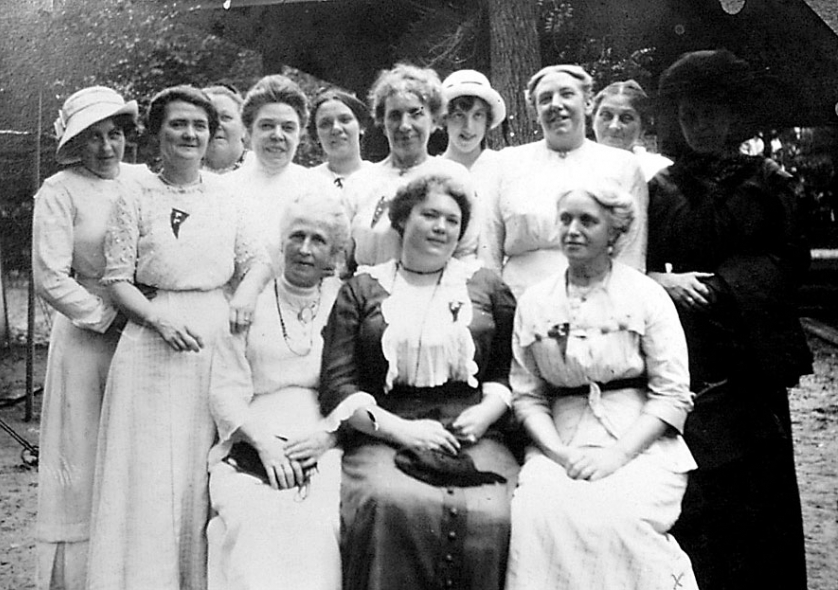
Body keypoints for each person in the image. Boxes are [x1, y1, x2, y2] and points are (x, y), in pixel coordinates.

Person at [87, 85, 270, 590]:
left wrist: (244, 297)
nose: (190, 134)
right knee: (147, 471)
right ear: (156, 134)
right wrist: (159, 320)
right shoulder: (135, 193)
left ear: (212, 135)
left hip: (215, 336)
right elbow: (118, 278)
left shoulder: (230, 194)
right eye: (177, 124)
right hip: (152, 338)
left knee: (200, 463)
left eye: (199, 126)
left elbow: (258, 262)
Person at [647, 49, 812, 590]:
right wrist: (662, 282)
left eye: (711, 114)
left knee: (758, 505)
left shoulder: (769, 183)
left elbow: (789, 264)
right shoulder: (661, 190)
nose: (700, 126)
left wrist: (725, 289)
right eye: (690, 115)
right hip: (688, 360)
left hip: (749, 362)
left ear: (732, 117)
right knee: (697, 503)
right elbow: (640, 265)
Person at [320, 173, 519, 590]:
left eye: (451, 220)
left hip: (474, 431)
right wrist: (403, 432)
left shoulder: (485, 285)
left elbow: (510, 371)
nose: (441, 227)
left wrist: (486, 413)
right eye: (429, 215)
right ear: (401, 219)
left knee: (493, 514)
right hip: (384, 429)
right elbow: (338, 385)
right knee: (389, 502)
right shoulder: (362, 290)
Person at [505, 181, 698, 590]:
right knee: (537, 513)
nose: (572, 229)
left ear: (614, 232)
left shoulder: (646, 296)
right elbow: (527, 394)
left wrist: (616, 455)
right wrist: (556, 452)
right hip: (560, 438)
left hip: (639, 440)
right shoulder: (536, 301)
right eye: (565, 219)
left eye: (587, 221)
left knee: (619, 516)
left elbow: (672, 392)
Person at [207, 190, 351, 590]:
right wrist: (264, 444)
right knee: (255, 520)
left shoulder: (347, 304)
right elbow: (225, 392)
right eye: (297, 236)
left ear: (334, 253)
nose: (305, 249)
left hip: (326, 441)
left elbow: (359, 386)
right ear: (282, 241)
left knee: (319, 523)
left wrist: (330, 437)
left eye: (318, 240)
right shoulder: (247, 304)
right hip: (252, 438)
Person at [31, 86, 142, 590]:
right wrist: (108, 317)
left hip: (144, 330)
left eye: (113, 134)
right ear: (76, 143)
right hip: (86, 336)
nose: (105, 147)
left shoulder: (143, 182)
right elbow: (50, 276)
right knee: (81, 455)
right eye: (93, 138)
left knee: (132, 452)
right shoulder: (60, 190)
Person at [481, 64, 647, 299]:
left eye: (567, 94)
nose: (556, 104)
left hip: (598, 303)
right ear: (534, 112)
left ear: (588, 104)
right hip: (518, 303)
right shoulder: (505, 163)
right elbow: (489, 246)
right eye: (545, 99)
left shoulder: (622, 165)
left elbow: (631, 252)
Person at [343, 63, 477, 270]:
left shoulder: (453, 175)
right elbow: (342, 255)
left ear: (433, 120)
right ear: (382, 123)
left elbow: (466, 251)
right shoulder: (359, 182)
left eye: (416, 113)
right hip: (367, 293)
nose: (404, 125)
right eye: (395, 115)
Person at [225, 75, 334, 267]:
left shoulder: (321, 187)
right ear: (249, 131)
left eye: (288, 127)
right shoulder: (224, 189)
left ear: (300, 135)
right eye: (267, 126)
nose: (277, 135)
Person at [591, 80, 672, 181]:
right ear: (593, 120)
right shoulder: (571, 165)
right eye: (606, 115)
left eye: (626, 118)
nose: (614, 126)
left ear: (643, 127)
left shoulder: (658, 171)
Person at [309, 88, 372, 191]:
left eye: (345, 120)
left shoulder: (382, 178)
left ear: (361, 126)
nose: (336, 128)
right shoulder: (306, 183)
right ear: (316, 135)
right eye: (325, 124)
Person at [203, 84, 248, 174]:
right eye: (209, 118)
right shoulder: (180, 173)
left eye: (225, 117)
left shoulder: (266, 170)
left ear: (244, 127)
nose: (217, 125)